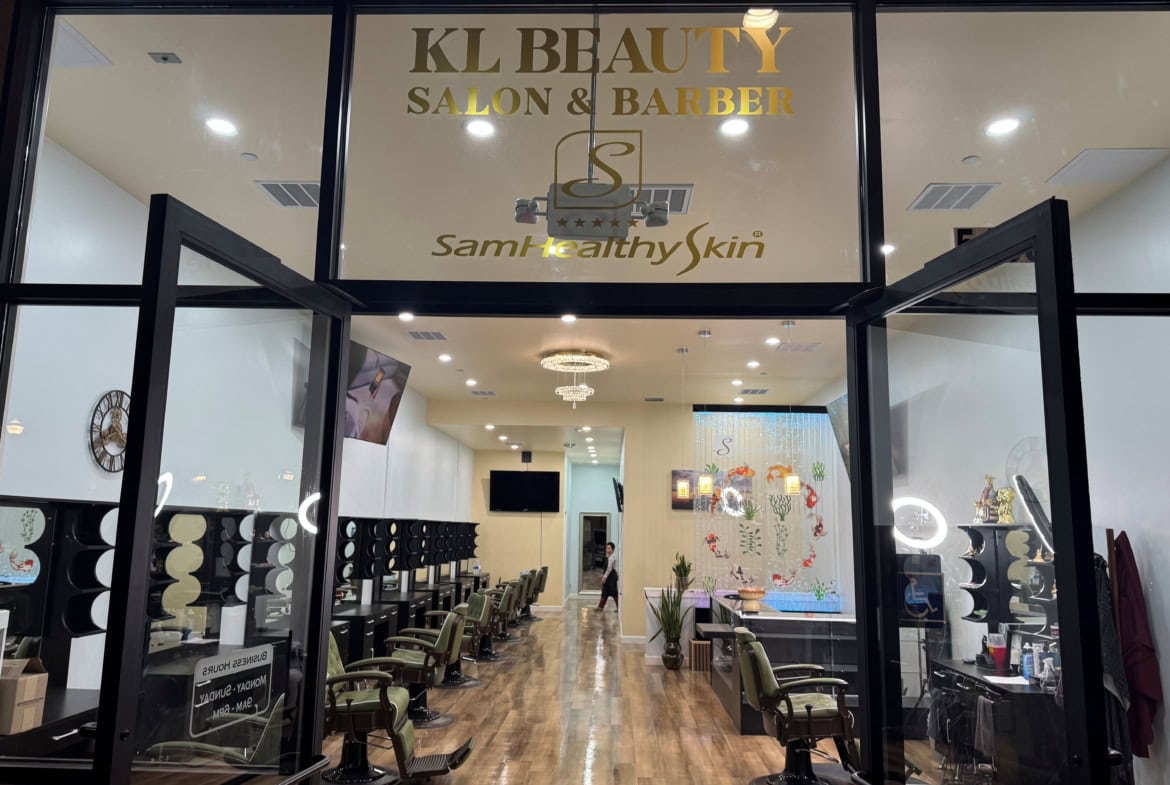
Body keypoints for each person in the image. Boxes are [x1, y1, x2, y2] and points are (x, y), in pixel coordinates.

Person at [597, 542, 618, 612]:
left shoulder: (612, 558)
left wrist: (604, 577)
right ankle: (600, 607)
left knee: (614, 592)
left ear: (613, 549)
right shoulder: (608, 557)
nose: (607, 549)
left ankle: (619, 608)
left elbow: (609, 568)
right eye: (607, 548)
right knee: (605, 592)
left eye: (609, 548)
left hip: (611, 578)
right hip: (608, 578)